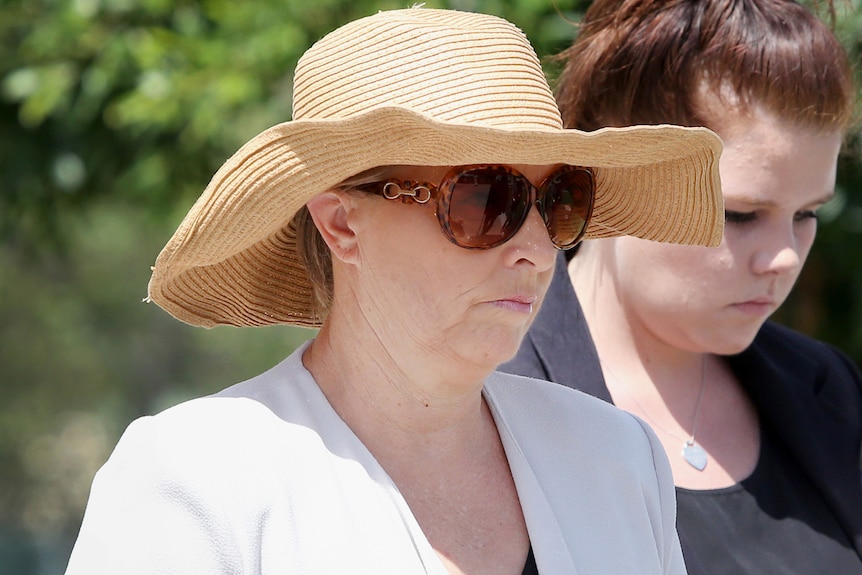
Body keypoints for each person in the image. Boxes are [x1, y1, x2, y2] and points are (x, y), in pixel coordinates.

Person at [64, 7, 725, 574]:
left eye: (559, 200)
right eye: (486, 199)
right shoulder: (196, 479)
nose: (535, 245)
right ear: (342, 224)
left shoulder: (617, 458)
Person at [502, 0, 862, 573]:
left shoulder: (832, 391)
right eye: (740, 215)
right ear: (613, 170)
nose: (785, 256)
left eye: (807, 213)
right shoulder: (490, 406)